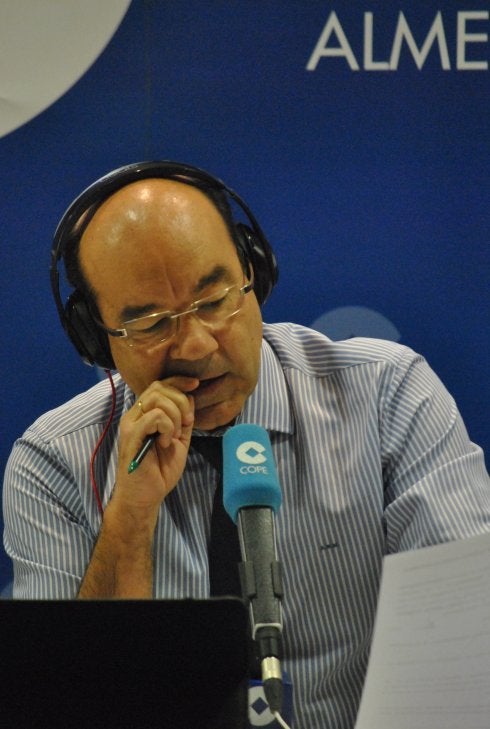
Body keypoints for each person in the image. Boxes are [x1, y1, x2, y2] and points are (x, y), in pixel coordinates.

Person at [3, 161, 490, 729]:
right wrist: (129, 518)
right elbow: (75, 706)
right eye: (153, 324)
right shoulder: (52, 463)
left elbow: (465, 639)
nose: (195, 343)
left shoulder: (386, 396)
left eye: (213, 301)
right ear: (98, 339)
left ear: (254, 273)